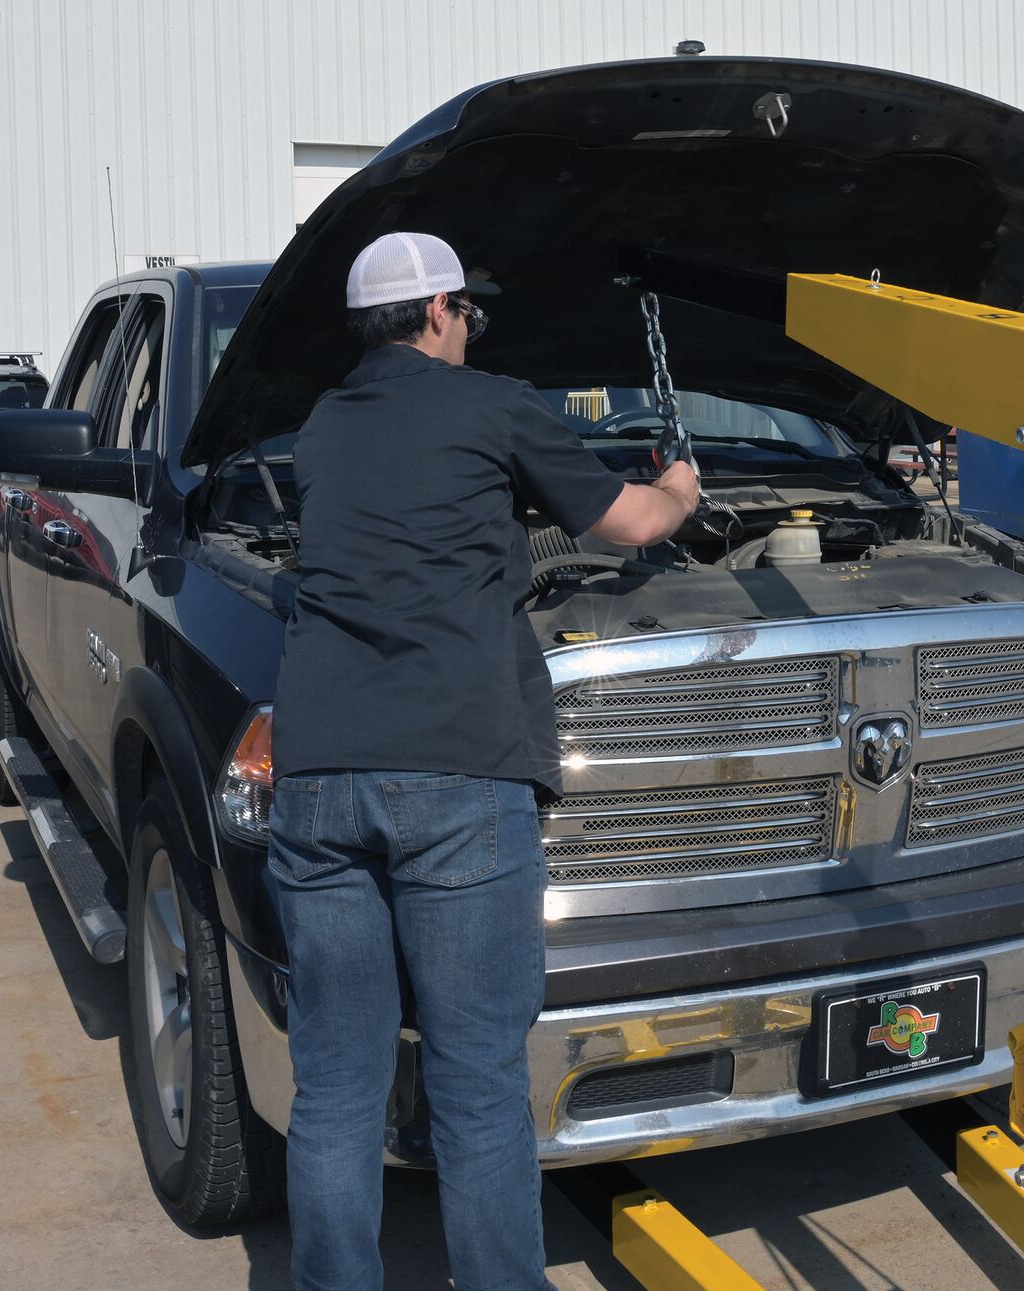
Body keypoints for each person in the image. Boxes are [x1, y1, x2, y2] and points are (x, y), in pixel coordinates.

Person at [268, 231, 698, 1291]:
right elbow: (630, 522)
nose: (471, 331)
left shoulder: (320, 426)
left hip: (317, 781)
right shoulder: (493, 405)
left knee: (336, 1087)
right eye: (469, 313)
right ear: (437, 312)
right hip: (457, 773)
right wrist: (681, 489)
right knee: (475, 1087)